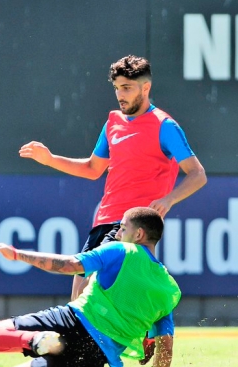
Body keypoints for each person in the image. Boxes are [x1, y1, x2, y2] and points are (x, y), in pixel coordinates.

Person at [19, 55, 206, 302]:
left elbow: (197, 174)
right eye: (117, 87)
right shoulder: (112, 123)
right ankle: (146, 335)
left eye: (127, 87)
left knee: (88, 290)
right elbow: (92, 168)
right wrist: (50, 159)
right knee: (79, 297)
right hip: (103, 220)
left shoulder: (165, 126)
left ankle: (141, 334)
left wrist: (169, 199)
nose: (120, 94)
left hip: (131, 225)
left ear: (146, 87)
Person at [0, 207, 181, 367]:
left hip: (70, 321)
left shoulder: (121, 250)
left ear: (139, 234)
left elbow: (70, 265)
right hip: (93, 359)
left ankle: (35, 341)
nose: (118, 234)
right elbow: (165, 346)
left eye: (123, 228)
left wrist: (18, 254)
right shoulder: (168, 288)